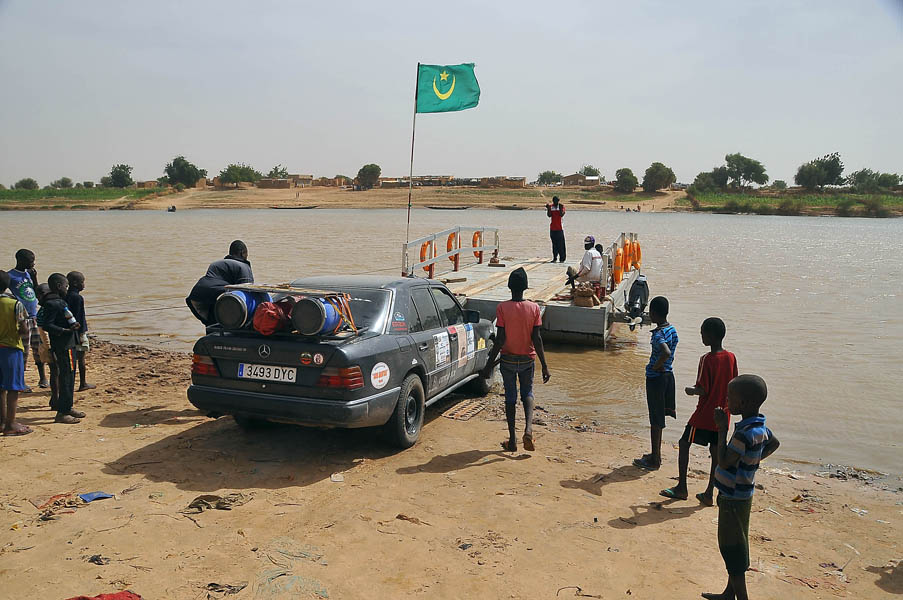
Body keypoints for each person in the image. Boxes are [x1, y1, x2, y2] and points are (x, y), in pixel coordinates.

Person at [702, 374, 780, 600]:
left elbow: (724, 461)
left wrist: (721, 429)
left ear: (743, 403)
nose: (727, 401)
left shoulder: (743, 434)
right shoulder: (760, 428)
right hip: (744, 494)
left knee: (731, 548)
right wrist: (752, 462)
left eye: (730, 397)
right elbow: (774, 444)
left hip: (733, 498)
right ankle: (729, 593)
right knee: (737, 542)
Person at [660, 317, 737, 505]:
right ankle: (709, 492)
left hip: (705, 414)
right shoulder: (731, 357)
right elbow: (734, 384)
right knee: (716, 451)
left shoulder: (706, 359)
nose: (701, 336)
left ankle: (682, 487)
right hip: (723, 414)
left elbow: (703, 390)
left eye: (703, 333)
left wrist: (691, 390)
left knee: (684, 443)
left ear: (710, 336)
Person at [480, 267, 550, 452]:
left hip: (508, 361)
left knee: (510, 397)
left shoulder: (502, 308)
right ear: (525, 287)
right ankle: (528, 430)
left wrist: (488, 366)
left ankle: (512, 440)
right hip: (527, 360)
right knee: (527, 393)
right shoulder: (534, 308)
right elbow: (537, 339)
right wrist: (544, 366)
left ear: (509, 287)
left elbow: (500, 339)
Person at [633, 296, 678, 470]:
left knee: (655, 419)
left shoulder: (658, 334)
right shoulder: (672, 329)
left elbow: (665, 352)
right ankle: (655, 454)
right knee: (659, 417)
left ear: (653, 313)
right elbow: (670, 351)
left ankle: (655, 459)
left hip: (656, 378)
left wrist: (656, 366)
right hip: (668, 376)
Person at [43, 273, 82, 424]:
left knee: (70, 376)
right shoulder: (52, 303)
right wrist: (65, 331)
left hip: (69, 343)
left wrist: (73, 326)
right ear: (59, 286)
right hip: (63, 345)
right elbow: (47, 325)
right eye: (66, 286)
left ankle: (68, 406)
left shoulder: (60, 301)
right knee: (66, 377)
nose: (67, 289)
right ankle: (62, 412)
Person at [186, 240, 254, 326]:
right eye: (247, 254)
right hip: (218, 296)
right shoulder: (243, 266)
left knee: (212, 325)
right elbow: (246, 293)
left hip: (196, 295)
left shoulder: (216, 264)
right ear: (242, 253)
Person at [8, 249, 46, 392]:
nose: (33, 263)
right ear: (20, 260)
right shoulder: (11, 276)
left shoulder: (30, 274)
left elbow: (37, 292)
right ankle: (21, 381)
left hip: (34, 316)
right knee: (23, 351)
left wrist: (34, 278)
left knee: (39, 348)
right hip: (21, 319)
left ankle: (43, 378)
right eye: (31, 261)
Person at [0, 270, 32, 435]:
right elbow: (24, 329)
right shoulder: (14, 304)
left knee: (0, 388)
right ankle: (10, 424)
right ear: (7, 286)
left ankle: (1, 422)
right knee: (13, 388)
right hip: (11, 349)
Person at [66, 271, 95, 391]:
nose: (84, 285)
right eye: (82, 282)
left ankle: (70, 383)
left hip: (69, 332)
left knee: (71, 359)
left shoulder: (65, 295)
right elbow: (77, 316)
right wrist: (79, 332)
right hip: (78, 332)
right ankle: (83, 383)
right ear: (75, 283)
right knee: (81, 358)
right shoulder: (77, 297)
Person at [34, 283, 59, 407]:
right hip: (48, 347)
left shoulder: (43, 310)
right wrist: (50, 349)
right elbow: (44, 333)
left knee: (55, 372)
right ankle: (55, 398)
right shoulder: (44, 311)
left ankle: (55, 398)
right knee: (55, 372)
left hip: (45, 346)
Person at [545, 196, 566, 262]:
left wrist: (560, 208)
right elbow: (549, 215)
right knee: (554, 244)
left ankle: (562, 258)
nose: (555, 202)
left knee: (561, 244)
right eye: (554, 201)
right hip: (553, 229)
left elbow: (561, 214)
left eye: (557, 201)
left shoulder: (561, 206)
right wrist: (548, 209)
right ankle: (555, 258)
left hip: (560, 229)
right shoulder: (551, 207)